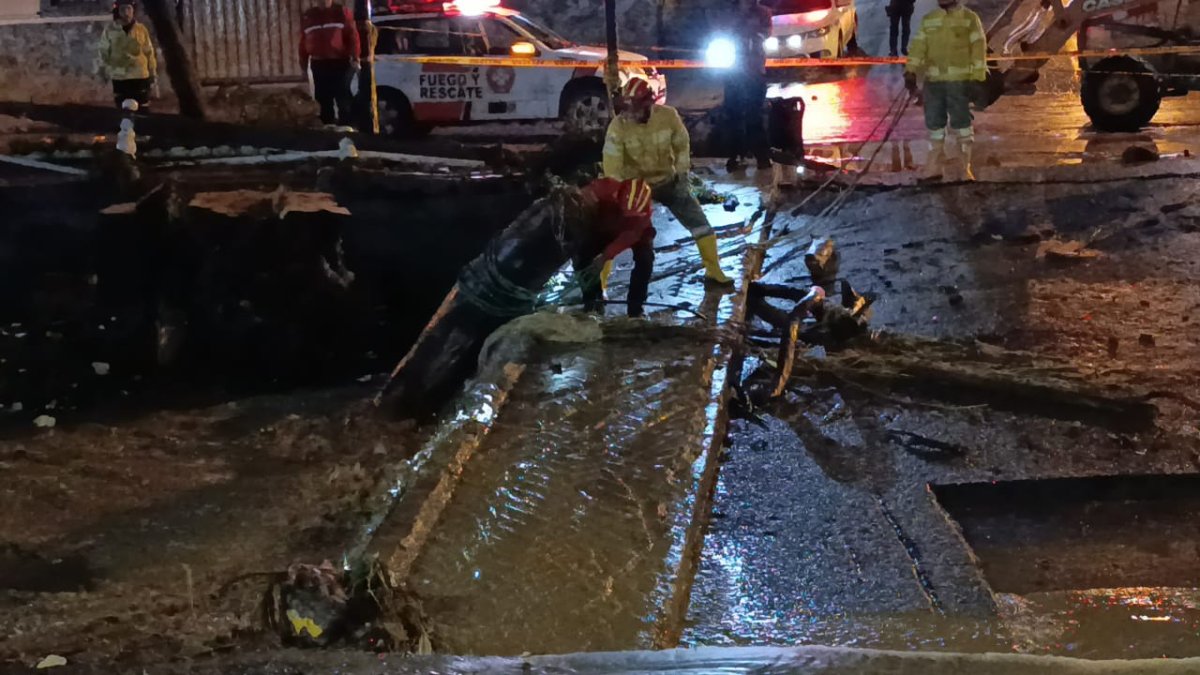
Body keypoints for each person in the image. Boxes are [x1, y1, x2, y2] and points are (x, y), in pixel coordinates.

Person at [602, 78, 734, 285]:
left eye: (635, 108)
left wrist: (682, 175)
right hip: (635, 189)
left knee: (699, 223)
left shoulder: (668, 116)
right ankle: (599, 285)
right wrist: (619, 195)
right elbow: (612, 165)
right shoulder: (618, 127)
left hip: (668, 181)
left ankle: (713, 270)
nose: (630, 114)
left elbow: (682, 145)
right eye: (627, 108)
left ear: (649, 103)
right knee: (612, 234)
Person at [904, 0, 987, 182]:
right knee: (934, 125)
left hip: (959, 83)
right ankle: (934, 167)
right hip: (934, 83)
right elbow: (919, 46)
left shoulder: (969, 19)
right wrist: (910, 70)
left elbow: (979, 49)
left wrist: (977, 79)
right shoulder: (929, 19)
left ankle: (964, 168)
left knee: (962, 124)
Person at [572, 177, 656, 317]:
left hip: (634, 231)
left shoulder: (642, 213)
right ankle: (593, 303)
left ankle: (636, 309)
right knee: (582, 255)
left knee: (645, 260)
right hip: (604, 226)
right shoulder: (602, 189)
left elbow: (631, 235)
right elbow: (579, 199)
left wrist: (605, 256)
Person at [724, 0, 773, 172]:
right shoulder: (730, 13)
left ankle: (762, 156)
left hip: (754, 73)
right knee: (733, 115)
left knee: (754, 116)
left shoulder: (762, 12)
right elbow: (721, 30)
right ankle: (736, 155)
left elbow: (765, 32)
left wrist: (752, 35)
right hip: (733, 73)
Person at [299, 0, 361, 128]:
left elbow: (352, 36)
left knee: (342, 95)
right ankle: (327, 127)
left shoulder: (341, 12)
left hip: (340, 62)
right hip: (318, 63)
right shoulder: (309, 16)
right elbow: (303, 43)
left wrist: (355, 57)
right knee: (322, 98)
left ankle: (347, 128)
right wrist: (304, 66)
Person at [98, 0, 157, 110]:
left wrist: (152, 72)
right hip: (120, 76)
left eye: (129, 8)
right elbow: (103, 52)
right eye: (122, 9)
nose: (126, 12)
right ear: (118, 11)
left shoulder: (141, 29)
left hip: (140, 75)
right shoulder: (109, 30)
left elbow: (149, 52)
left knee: (142, 108)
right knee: (122, 108)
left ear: (133, 10)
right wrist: (103, 72)